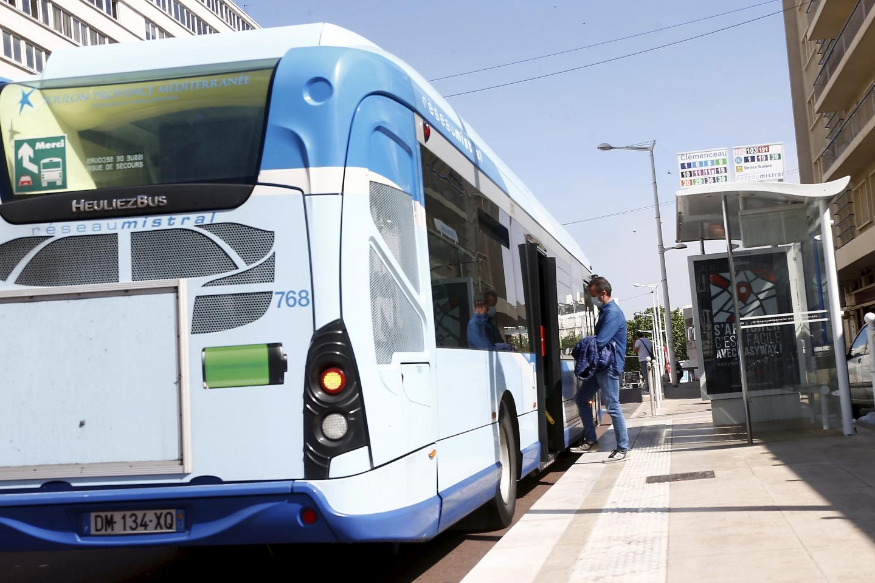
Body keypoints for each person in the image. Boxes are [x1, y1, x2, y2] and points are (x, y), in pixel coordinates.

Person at [575, 275, 630, 460]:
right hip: (600, 365)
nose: (592, 299)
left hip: (609, 367)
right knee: (582, 398)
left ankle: (622, 448)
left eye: (593, 296)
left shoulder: (612, 313)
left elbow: (600, 341)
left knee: (612, 406)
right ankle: (591, 440)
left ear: (603, 293)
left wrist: (582, 345)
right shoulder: (605, 311)